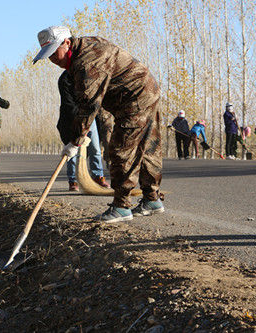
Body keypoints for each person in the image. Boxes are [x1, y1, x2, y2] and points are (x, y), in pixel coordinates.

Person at [33, 26, 164, 223]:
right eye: (48, 55)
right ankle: (152, 201)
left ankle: (121, 206)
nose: (53, 60)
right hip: (145, 90)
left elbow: (88, 106)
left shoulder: (86, 63)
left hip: (134, 98)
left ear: (67, 42)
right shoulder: (83, 51)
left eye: (54, 53)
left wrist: (75, 142)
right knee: (146, 149)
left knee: (121, 150)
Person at [57, 70, 110, 191]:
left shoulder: (88, 75)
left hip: (90, 117)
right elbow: (68, 104)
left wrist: (89, 121)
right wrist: (81, 125)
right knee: (73, 150)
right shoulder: (64, 79)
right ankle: (73, 180)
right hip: (72, 119)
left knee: (95, 148)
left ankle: (98, 176)